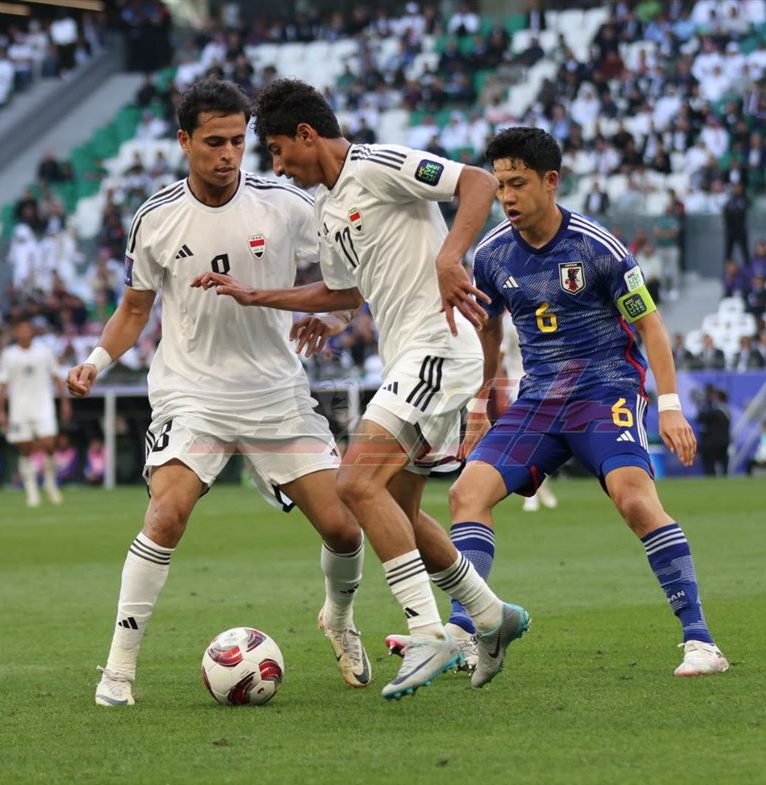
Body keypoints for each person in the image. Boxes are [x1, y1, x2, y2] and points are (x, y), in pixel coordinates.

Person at [198, 78, 528, 699]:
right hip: (406, 356)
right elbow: (345, 291)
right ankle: (491, 614)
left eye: (276, 150)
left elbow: (478, 183)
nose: (276, 166)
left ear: (306, 135)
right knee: (399, 512)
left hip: (438, 348)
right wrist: (263, 297)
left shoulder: (379, 164)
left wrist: (450, 257)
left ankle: (427, 633)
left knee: (353, 484)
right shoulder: (328, 211)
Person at [68, 80, 372, 708]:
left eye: (237, 140)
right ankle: (119, 668)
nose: (228, 153)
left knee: (345, 529)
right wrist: (95, 361)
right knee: (166, 514)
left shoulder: (286, 205)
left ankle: (339, 619)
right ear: (185, 141)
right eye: (214, 142)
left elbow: (350, 275)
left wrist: (336, 318)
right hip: (192, 395)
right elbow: (134, 309)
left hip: (275, 395)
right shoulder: (155, 218)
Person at [444, 127, 727, 677]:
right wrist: (480, 402)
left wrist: (669, 405)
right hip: (539, 399)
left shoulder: (597, 248)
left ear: (551, 181)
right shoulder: (493, 254)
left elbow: (651, 325)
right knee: (465, 494)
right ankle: (466, 633)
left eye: (518, 183)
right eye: (500, 185)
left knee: (634, 501)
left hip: (603, 391)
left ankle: (701, 641)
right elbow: (489, 329)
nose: (506, 197)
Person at [0, 315, 72, 507]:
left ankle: (50, 483)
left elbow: (56, 377)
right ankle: (31, 490)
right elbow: (3, 385)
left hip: (43, 405)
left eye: (27, 329)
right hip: (19, 409)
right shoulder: (8, 355)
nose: (24, 333)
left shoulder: (44, 352)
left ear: (32, 331)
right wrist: (0, 411)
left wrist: (65, 402)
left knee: (49, 444)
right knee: (25, 448)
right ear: (15, 333)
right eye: (20, 330)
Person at [498, 314, 558, 512]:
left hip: (543, 383)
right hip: (518, 385)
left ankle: (541, 488)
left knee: (539, 440)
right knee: (526, 441)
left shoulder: (540, 314)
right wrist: (500, 388)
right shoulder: (508, 322)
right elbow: (500, 355)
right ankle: (532, 493)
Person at [697, 387, 731, 477]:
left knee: (710, 464)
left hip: (713, 443)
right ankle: (722, 477)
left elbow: (700, 418)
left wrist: (701, 406)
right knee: (723, 463)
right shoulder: (727, 410)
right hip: (724, 441)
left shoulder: (715, 411)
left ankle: (713, 477)